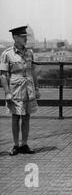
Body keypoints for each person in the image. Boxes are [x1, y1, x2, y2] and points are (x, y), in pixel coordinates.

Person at [0, 26, 40, 156]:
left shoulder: (30, 53)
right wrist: (7, 92)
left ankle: (24, 144)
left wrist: (37, 88)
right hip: (15, 90)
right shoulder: (7, 54)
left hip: (28, 89)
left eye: (26, 36)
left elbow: (33, 71)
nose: (25, 39)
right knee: (16, 117)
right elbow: (3, 75)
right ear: (15, 37)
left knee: (27, 116)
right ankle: (16, 145)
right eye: (23, 37)